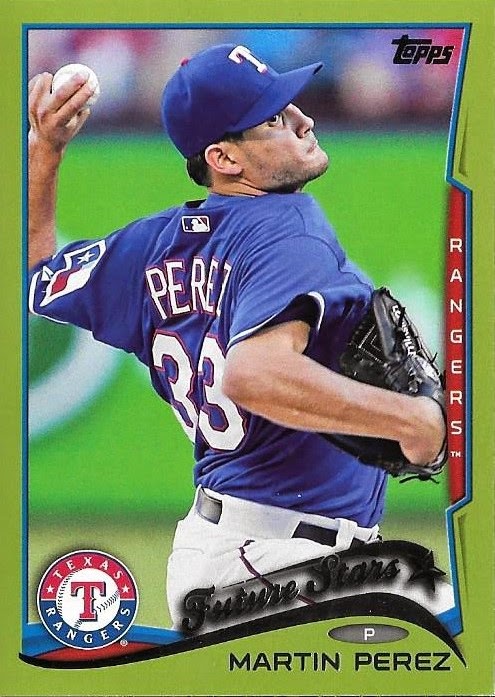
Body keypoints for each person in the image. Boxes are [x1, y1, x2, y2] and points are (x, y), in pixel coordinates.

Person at [28, 43, 446, 632]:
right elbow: (252, 374)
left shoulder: (152, 244)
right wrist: (413, 421)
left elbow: (37, 274)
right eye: (274, 119)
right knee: (457, 644)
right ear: (224, 157)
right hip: (283, 562)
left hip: (227, 556)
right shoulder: (288, 229)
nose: (304, 120)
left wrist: (45, 151)